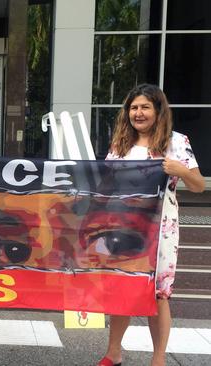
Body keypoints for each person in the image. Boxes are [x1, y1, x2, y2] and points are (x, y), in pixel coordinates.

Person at [97, 84, 205, 366]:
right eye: (134, 107)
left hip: (159, 230)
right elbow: (105, 183)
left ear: (158, 110)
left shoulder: (176, 142)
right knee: (123, 287)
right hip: (122, 225)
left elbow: (198, 186)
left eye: (145, 107)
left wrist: (181, 170)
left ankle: (158, 360)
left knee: (157, 293)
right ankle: (113, 352)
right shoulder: (120, 143)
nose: (138, 113)